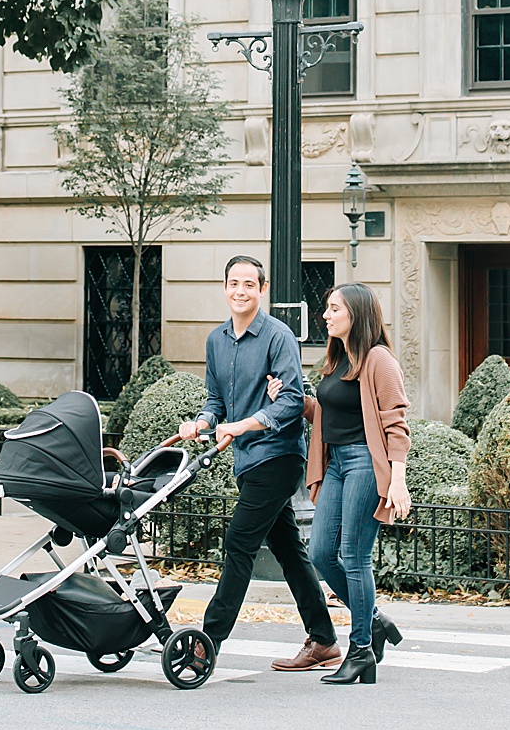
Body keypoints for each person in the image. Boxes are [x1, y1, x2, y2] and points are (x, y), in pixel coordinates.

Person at [176, 254, 339, 672]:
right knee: (288, 550)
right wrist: (202, 423)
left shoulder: (278, 336)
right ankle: (323, 640)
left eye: (250, 284)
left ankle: (207, 642)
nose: (240, 291)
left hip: (280, 456)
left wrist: (243, 425)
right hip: (248, 461)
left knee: (239, 543)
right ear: (224, 287)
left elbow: (290, 400)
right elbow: (215, 401)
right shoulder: (215, 341)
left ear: (262, 290)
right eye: (234, 283)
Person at [296, 281, 412, 684]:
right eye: (327, 309)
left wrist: (398, 480)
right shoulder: (337, 358)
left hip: (366, 462)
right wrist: (301, 401)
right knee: (322, 553)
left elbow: (396, 425)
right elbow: (332, 414)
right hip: (338, 465)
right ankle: (375, 620)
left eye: (333, 309)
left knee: (355, 555)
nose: (325, 315)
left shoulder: (379, 360)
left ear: (356, 315)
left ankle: (361, 650)